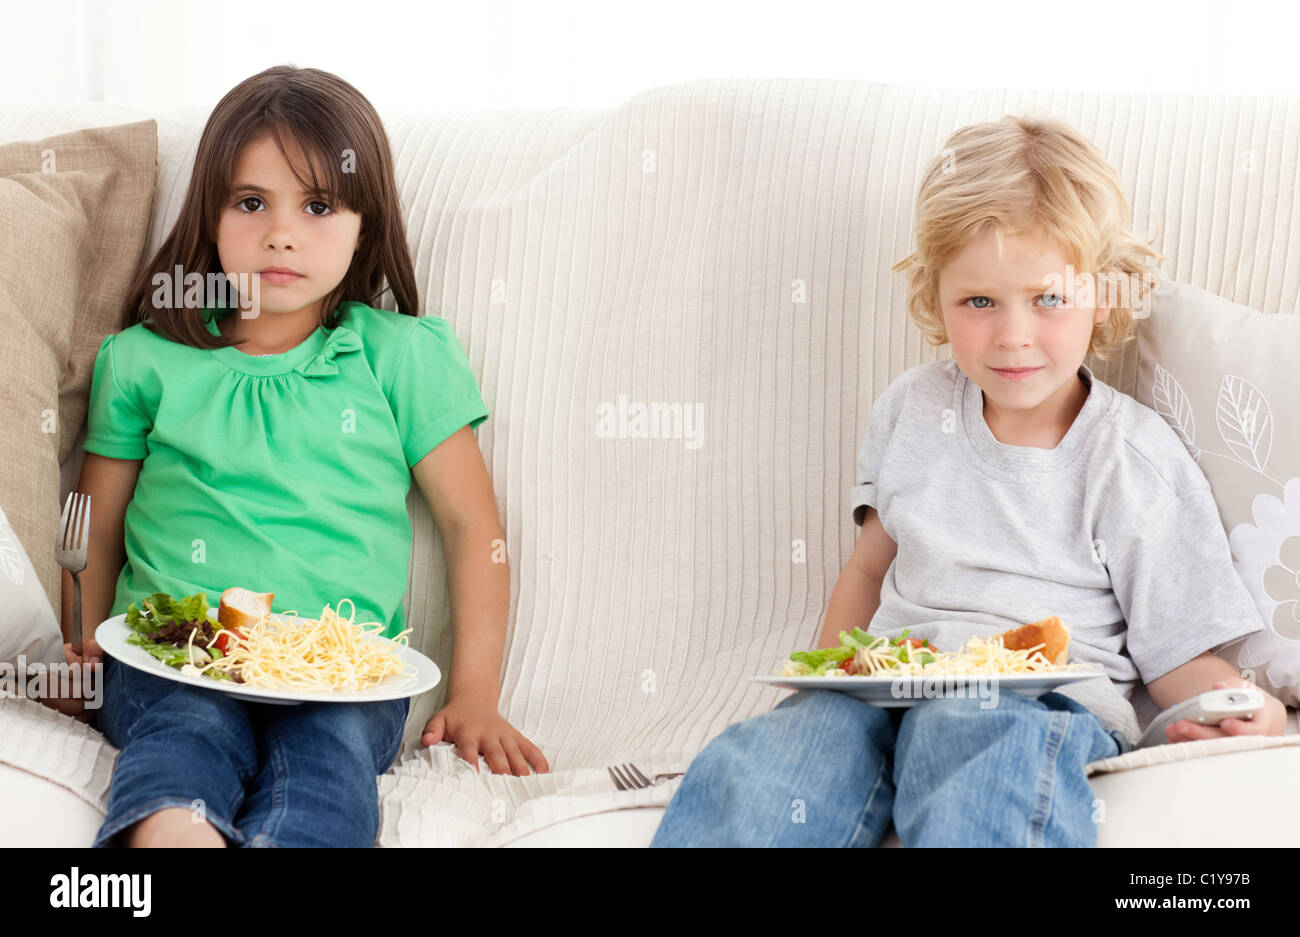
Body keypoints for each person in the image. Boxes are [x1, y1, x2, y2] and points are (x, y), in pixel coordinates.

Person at [650, 114, 1288, 848]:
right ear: (937, 295)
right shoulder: (910, 411)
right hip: (884, 684)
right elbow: (867, 568)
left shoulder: (1132, 457)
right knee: (772, 758)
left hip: (1032, 698)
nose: (1013, 333)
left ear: (1103, 295)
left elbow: (1176, 648)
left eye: (1048, 298)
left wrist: (1233, 706)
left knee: (974, 736)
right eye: (979, 301)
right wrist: (822, 685)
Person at [57, 65, 548, 848]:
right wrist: (78, 647)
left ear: (365, 225)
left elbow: (471, 526)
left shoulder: (400, 358)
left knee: (328, 763)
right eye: (251, 203)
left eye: (317, 206)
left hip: (346, 678)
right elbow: (92, 531)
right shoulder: (144, 360)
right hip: (173, 657)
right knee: (182, 734)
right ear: (210, 216)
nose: (281, 232)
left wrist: (475, 694)